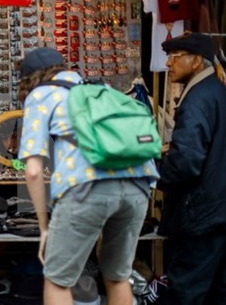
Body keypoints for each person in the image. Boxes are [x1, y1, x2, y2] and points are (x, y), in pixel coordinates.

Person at [17, 47, 159, 305]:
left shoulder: (41, 94)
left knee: (57, 280)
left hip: (86, 188)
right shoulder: (101, 89)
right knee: (118, 276)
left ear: (30, 78)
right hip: (138, 184)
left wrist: (44, 227)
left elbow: (34, 170)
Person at [157, 32, 226, 305]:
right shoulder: (217, 91)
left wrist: (156, 172)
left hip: (200, 215)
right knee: (217, 291)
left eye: (174, 57)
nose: (168, 64)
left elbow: (186, 163)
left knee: (186, 290)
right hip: (217, 210)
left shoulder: (197, 100)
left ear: (196, 60)